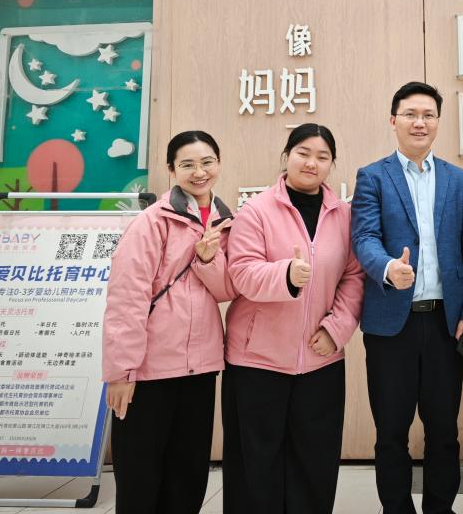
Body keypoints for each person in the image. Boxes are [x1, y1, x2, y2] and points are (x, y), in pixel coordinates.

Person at [350, 81, 463, 514]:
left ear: (438, 122)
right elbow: (364, 237)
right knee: (391, 432)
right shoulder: (373, 176)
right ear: (393, 121)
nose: (419, 122)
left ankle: (439, 508)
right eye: (410, 114)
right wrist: (389, 268)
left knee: (444, 431)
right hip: (392, 325)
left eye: (428, 115)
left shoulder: (458, 179)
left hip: (445, 324)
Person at [222, 124, 364, 514]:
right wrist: (285, 275)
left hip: (321, 359)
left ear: (332, 164)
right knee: (255, 466)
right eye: (303, 153)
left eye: (322, 156)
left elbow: (354, 277)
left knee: (314, 463)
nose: (311, 163)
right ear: (287, 156)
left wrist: (337, 329)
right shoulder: (256, 210)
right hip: (257, 361)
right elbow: (242, 272)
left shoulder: (344, 215)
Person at [102, 130, 236, 514]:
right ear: (172, 170)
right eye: (188, 164)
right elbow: (127, 298)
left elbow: (228, 290)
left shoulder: (227, 222)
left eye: (207, 162)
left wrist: (208, 259)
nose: (199, 172)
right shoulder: (152, 222)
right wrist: (121, 371)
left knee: (187, 476)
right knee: (140, 478)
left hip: (200, 368)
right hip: (149, 371)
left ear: (219, 164)